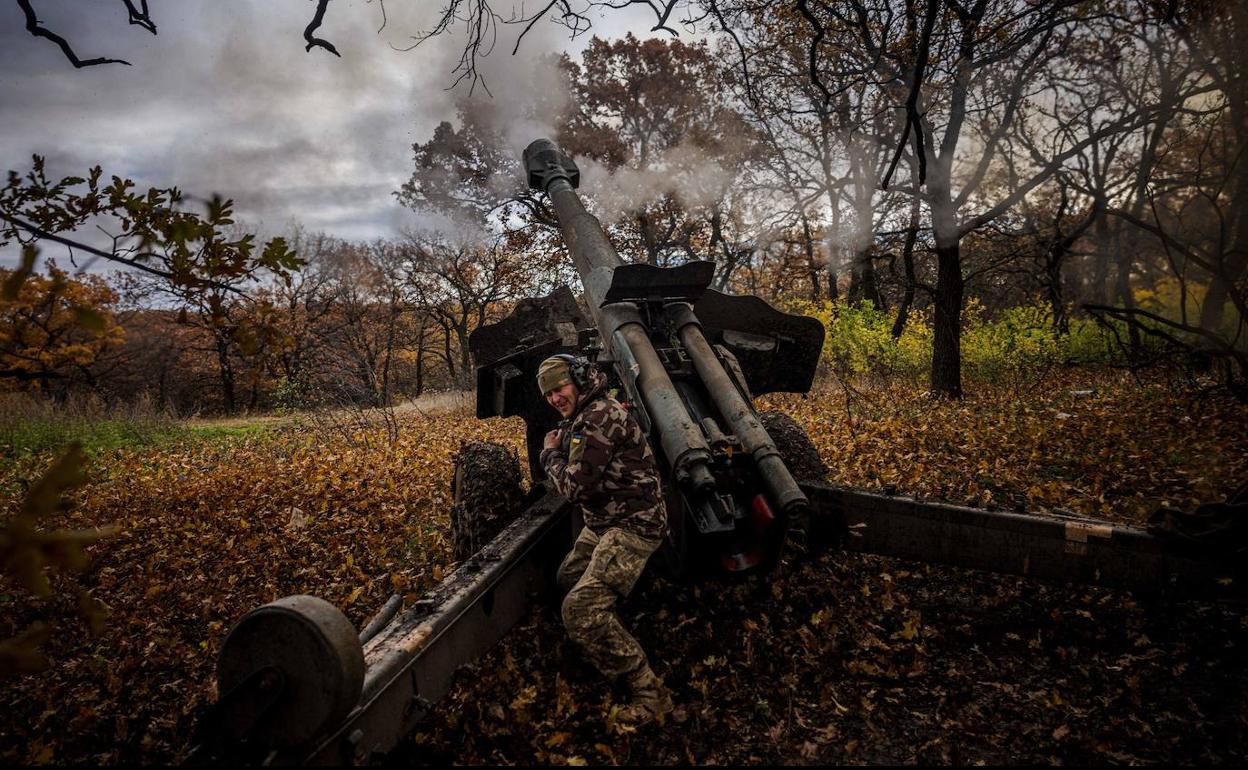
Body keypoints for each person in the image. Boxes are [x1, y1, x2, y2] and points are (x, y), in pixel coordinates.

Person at [536, 354, 674, 726]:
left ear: (579, 381)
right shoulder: (587, 413)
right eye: (547, 393)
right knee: (567, 580)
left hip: (631, 525)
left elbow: (575, 489)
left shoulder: (595, 419)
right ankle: (597, 643)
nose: (554, 398)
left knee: (579, 610)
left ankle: (649, 694)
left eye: (559, 388)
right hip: (605, 522)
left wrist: (549, 455)